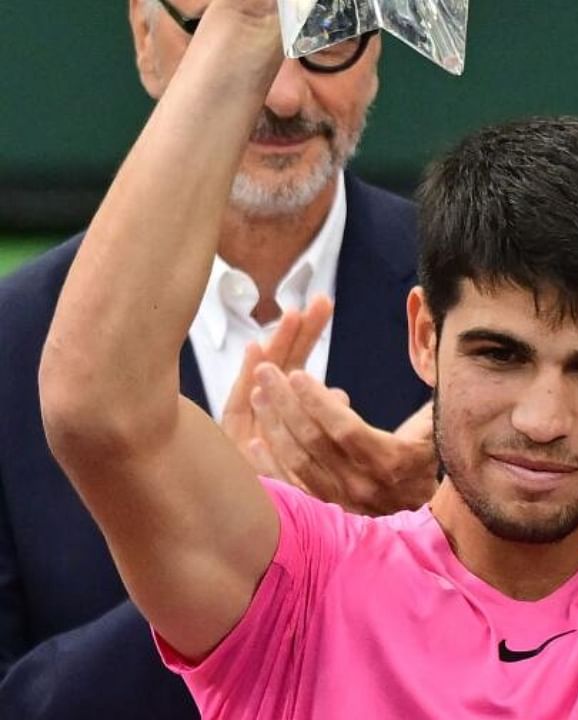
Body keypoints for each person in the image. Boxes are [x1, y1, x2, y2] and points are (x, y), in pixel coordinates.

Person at [39, 0, 578, 717]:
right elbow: (94, 407)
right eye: (500, 355)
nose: (543, 421)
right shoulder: (300, 600)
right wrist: (251, 20)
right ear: (423, 336)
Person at [0, 0, 431, 715]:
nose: (284, 94)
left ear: (379, 50)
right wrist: (219, 557)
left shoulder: (480, 309)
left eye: (328, 34)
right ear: (144, 36)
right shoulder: (15, 343)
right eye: (226, 30)